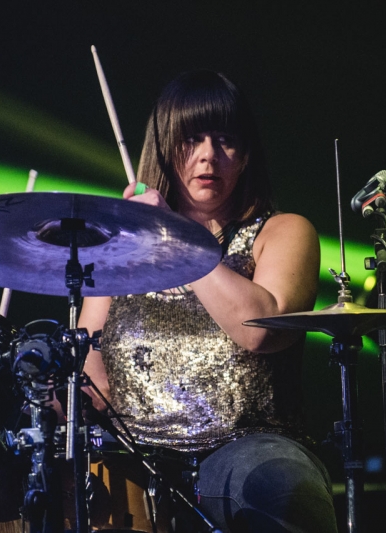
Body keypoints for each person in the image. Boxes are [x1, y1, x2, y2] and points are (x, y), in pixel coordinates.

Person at [79, 69, 337, 533]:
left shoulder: (283, 231)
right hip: (136, 451)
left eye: (225, 141)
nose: (208, 157)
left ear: (247, 154)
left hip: (248, 445)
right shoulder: (119, 247)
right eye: (192, 139)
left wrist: (177, 242)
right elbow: (90, 371)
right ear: (163, 147)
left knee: (280, 486)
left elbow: (260, 331)